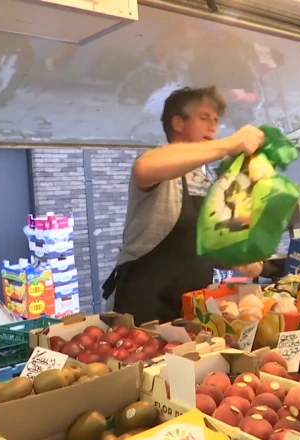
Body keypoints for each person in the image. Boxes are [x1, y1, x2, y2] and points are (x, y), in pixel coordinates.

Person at [102, 86, 265, 325]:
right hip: (142, 314)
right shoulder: (159, 164)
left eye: (216, 119)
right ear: (178, 123)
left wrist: (237, 259)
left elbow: (198, 249)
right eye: (204, 118)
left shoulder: (206, 179)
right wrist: (230, 144)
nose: (213, 126)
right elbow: (144, 168)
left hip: (189, 314)